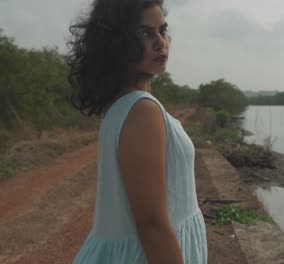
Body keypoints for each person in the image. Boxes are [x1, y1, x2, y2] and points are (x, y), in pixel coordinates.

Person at [66, 0, 208, 263]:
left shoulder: (126, 104)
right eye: (145, 33)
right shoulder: (142, 110)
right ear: (117, 42)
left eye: (162, 30)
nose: (160, 42)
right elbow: (151, 224)